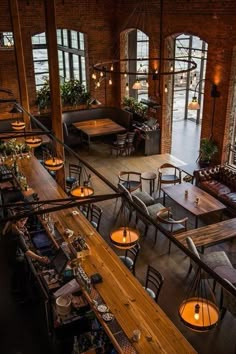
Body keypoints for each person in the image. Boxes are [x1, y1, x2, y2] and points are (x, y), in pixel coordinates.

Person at [2, 217, 50, 302]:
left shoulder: (9, 224)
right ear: (18, 221)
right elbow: (26, 251)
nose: (24, 223)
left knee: (15, 274)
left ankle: (14, 289)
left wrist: (22, 231)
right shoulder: (17, 234)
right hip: (17, 259)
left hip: (10, 256)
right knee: (23, 279)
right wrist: (40, 258)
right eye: (23, 221)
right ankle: (25, 298)